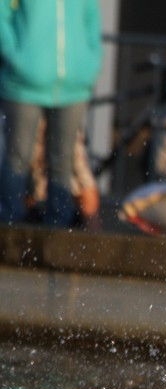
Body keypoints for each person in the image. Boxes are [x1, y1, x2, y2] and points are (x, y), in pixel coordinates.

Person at [0, 0, 102, 227]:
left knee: (63, 158)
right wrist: (16, 57)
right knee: (18, 156)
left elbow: (91, 20)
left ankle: (57, 226)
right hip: (23, 85)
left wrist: (90, 62)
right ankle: (9, 225)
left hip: (73, 87)